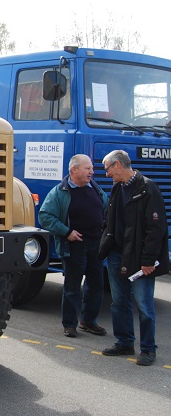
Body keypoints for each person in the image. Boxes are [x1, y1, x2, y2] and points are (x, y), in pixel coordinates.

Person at [99, 149, 169, 366]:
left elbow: (156, 229)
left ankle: (148, 349)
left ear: (118, 165)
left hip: (139, 260)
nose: (107, 174)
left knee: (144, 305)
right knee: (119, 302)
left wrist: (148, 261)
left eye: (108, 168)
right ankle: (124, 342)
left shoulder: (148, 188)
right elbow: (111, 221)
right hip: (117, 255)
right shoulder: (118, 188)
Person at [39, 154, 109, 338]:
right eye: (88, 168)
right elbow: (45, 216)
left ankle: (88, 322)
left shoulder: (94, 187)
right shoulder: (59, 192)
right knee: (72, 287)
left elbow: (106, 207)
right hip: (74, 245)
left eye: (91, 168)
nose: (92, 172)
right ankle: (69, 324)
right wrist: (66, 232)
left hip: (95, 243)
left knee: (96, 285)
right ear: (74, 170)